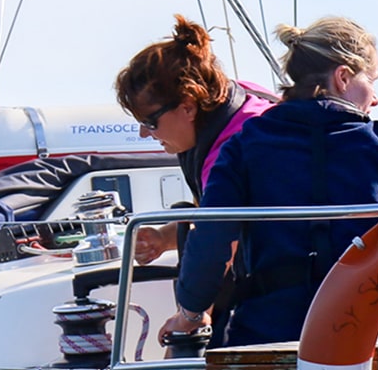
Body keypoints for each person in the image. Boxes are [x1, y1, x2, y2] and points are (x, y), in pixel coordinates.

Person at [155, 17, 378, 370]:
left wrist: (189, 314)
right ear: (343, 76)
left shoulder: (244, 147)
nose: (376, 97)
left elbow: (210, 242)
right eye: (373, 80)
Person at [114, 16, 275, 263]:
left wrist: (193, 302)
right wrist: (162, 238)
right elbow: (213, 216)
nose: (144, 133)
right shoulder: (240, 96)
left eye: (150, 122)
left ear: (188, 107)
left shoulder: (232, 154)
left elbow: (221, 250)